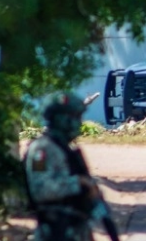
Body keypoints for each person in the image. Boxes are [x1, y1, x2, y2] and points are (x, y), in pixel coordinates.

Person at [24, 92, 104, 241]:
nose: (79, 123)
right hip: (54, 231)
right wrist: (78, 183)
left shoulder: (65, 149)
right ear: (60, 119)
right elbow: (41, 190)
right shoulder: (41, 150)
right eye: (75, 117)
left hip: (74, 229)